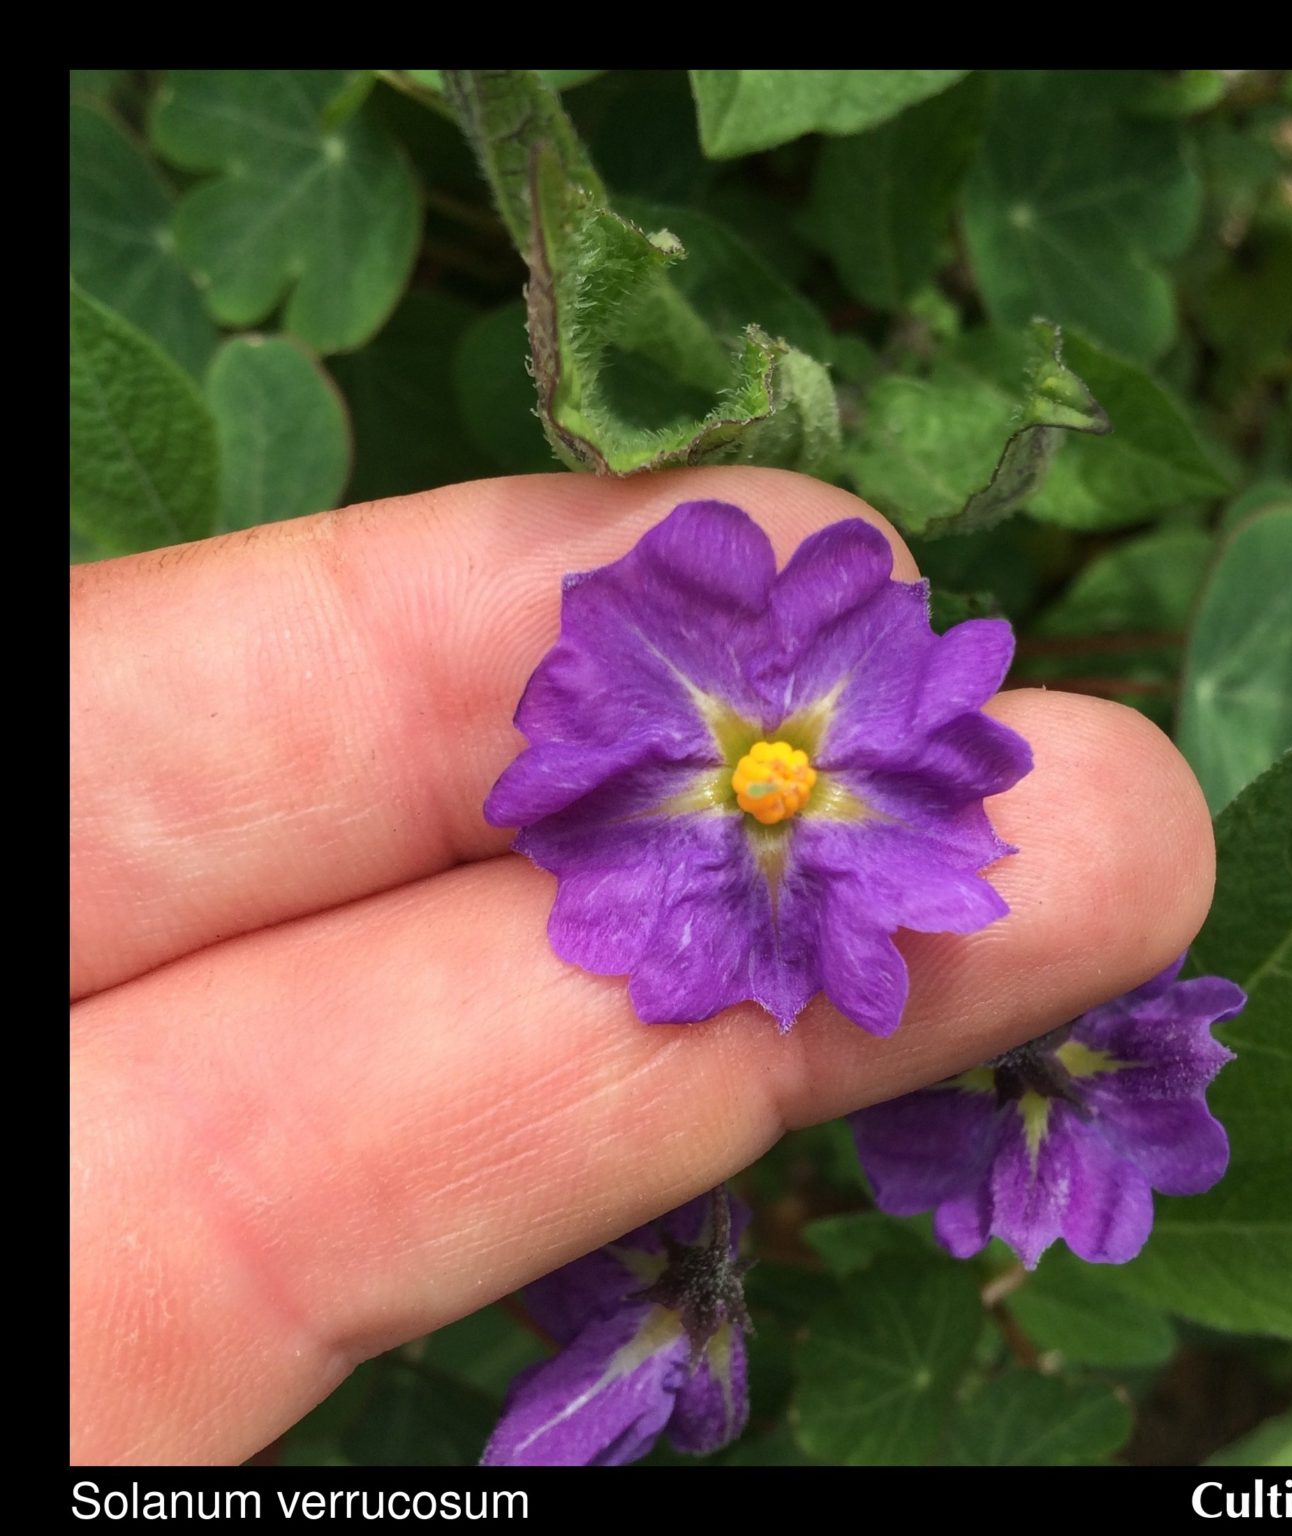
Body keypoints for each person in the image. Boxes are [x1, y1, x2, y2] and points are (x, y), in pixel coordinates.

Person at [70, 467, 1216, 1464]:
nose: (778, 784)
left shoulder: (798, 756)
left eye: (786, 782)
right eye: (774, 781)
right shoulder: (727, 740)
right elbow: (579, 795)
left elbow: (892, 785)